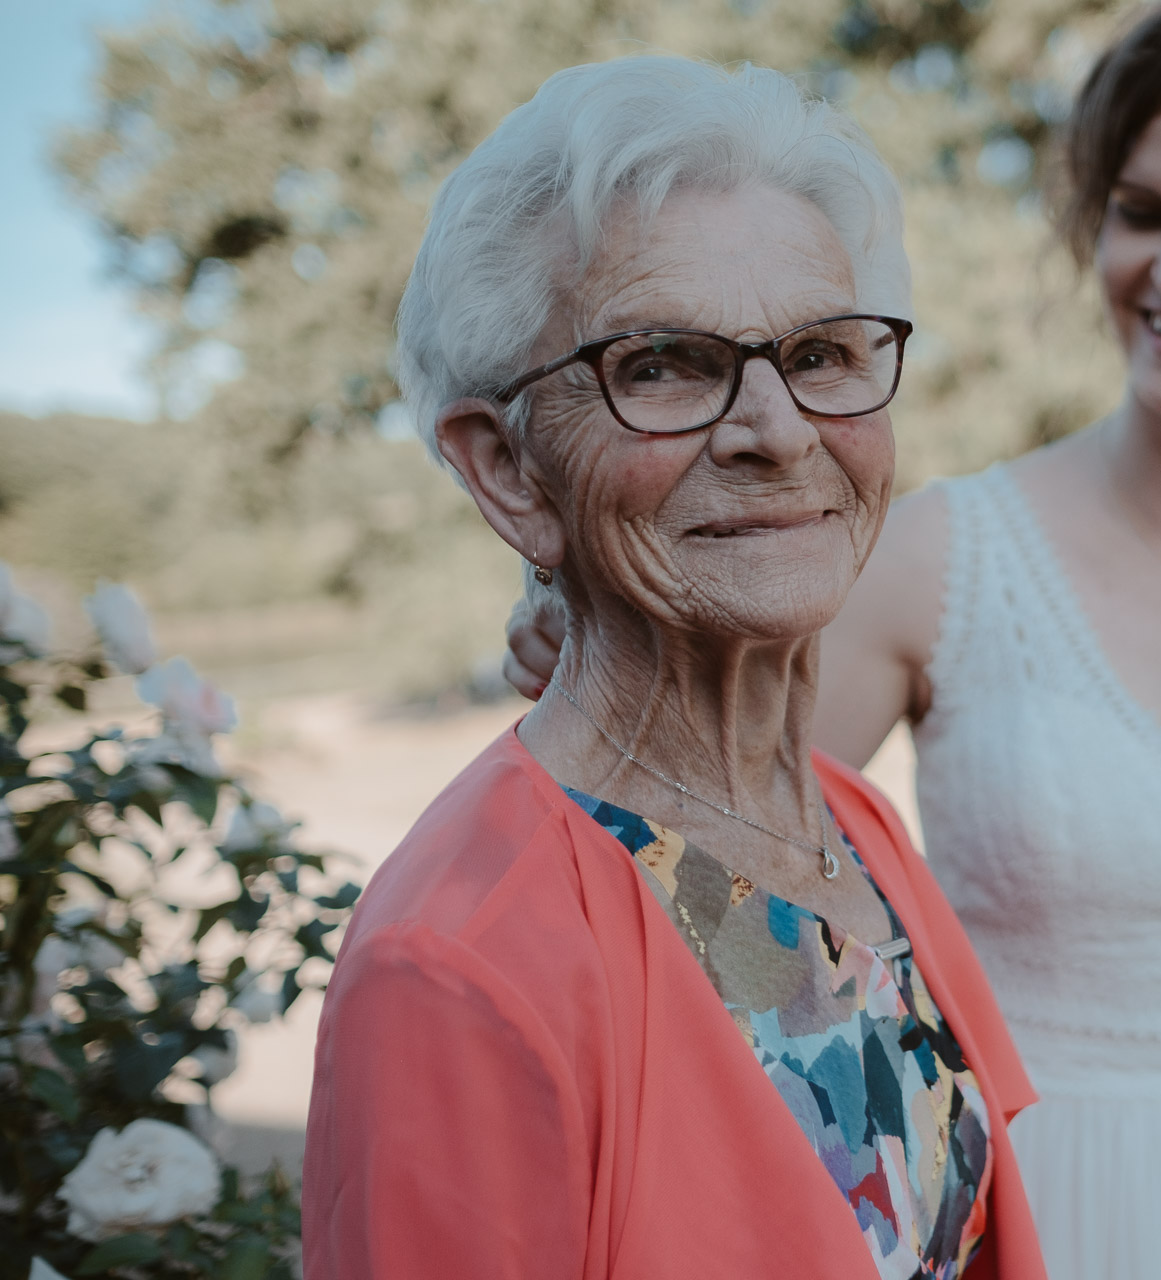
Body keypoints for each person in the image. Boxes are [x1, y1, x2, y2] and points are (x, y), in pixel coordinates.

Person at [509, 2, 1161, 1276]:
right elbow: (698, 851)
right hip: (1048, 1208)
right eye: (1143, 210)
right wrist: (607, 627)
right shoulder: (935, 558)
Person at [304, 57, 1047, 1280]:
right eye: (663, 366)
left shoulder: (848, 822)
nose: (777, 429)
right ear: (506, 469)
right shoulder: (452, 961)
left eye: (820, 353)